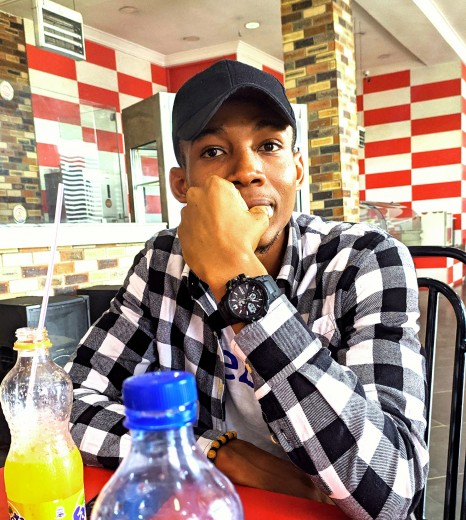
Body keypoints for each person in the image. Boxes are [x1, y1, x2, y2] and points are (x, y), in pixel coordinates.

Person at [66, 60, 428, 519]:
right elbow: (66, 407)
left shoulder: (364, 259)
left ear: (297, 169)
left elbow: (393, 488)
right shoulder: (162, 262)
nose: (247, 170)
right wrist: (220, 454)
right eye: (215, 151)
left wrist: (236, 275)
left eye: (269, 145)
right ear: (183, 184)